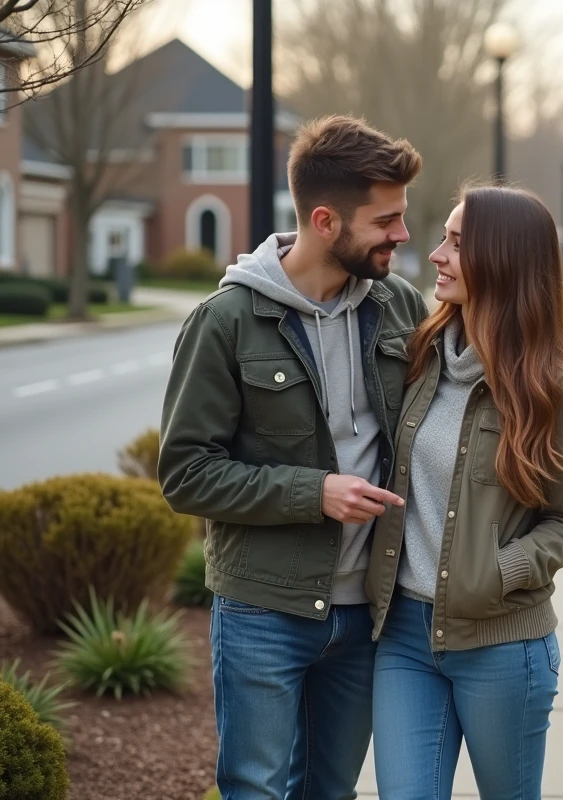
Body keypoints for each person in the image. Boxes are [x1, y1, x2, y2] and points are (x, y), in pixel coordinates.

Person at [157, 115, 426, 800]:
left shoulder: (399, 306)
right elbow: (185, 472)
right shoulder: (225, 322)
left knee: (329, 792)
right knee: (255, 789)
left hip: (368, 611)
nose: (402, 234)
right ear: (327, 221)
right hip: (262, 612)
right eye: (387, 220)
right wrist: (316, 492)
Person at [365, 185, 563, 799]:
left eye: (456, 243)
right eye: (443, 238)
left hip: (504, 649)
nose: (438, 255)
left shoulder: (554, 391)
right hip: (404, 640)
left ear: (502, 260)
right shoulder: (420, 356)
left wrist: (496, 572)